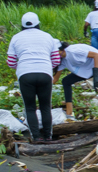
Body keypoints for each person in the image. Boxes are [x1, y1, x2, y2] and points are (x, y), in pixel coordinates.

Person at [7, 12, 61, 141]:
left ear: (22, 25)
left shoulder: (16, 37)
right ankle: (48, 137)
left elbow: (11, 62)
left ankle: (36, 137)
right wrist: (47, 67)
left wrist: (21, 68)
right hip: (45, 73)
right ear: (38, 24)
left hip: (25, 75)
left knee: (30, 108)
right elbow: (56, 60)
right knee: (45, 106)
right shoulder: (48, 37)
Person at [53, 42, 98, 118]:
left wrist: (96, 76)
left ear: (60, 50)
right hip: (87, 70)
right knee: (66, 81)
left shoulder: (73, 51)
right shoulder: (62, 59)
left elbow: (96, 55)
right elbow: (55, 79)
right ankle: (69, 113)